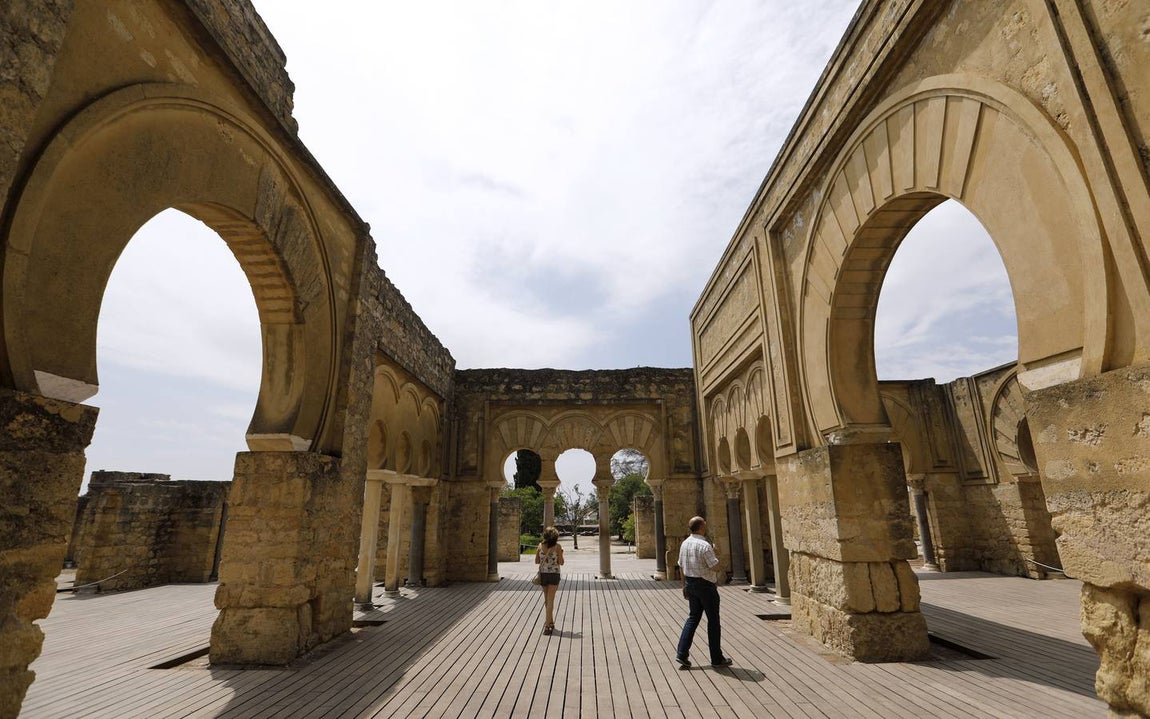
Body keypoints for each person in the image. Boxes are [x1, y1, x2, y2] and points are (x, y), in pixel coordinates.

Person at [675, 516, 732, 668]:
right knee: (713, 621)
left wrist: (684, 585)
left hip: (691, 583)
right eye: (704, 524)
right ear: (700, 527)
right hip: (706, 585)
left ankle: (682, 653)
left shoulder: (684, 544)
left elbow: (681, 566)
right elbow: (715, 566)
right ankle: (716, 658)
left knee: (693, 618)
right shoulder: (705, 545)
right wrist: (716, 553)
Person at [535, 526, 564, 635]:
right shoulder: (557, 547)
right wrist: (561, 553)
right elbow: (561, 562)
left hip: (543, 575)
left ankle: (550, 622)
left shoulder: (540, 546)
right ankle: (547, 626)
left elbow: (537, 561)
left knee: (547, 600)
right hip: (554, 575)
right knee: (551, 600)